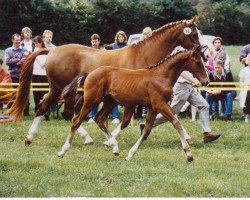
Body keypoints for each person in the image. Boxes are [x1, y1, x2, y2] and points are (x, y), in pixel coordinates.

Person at [152, 70, 221, 143]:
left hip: (190, 86)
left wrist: (207, 89)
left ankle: (207, 134)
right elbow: (181, 71)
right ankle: (148, 124)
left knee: (204, 105)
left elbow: (196, 73)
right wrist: (194, 80)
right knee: (172, 113)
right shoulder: (185, 58)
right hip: (181, 86)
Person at [4, 33, 29, 115]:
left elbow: (26, 60)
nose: (18, 41)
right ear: (12, 40)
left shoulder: (24, 49)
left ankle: (25, 111)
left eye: (19, 40)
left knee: (24, 92)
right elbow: (7, 62)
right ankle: (13, 110)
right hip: (12, 75)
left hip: (23, 75)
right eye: (16, 40)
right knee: (13, 93)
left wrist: (14, 59)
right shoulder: (8, 50)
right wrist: (19, 59)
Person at [108, 30, 128, 124]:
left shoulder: (128, 47)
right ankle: (115, 115)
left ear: (124, 38)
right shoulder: (113, 46)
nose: (121, 38)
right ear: (117, 37)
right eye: (119, 37)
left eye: (122, 37)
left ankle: (128, 115)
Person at [135, 27, 153, 119]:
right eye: (145, 34)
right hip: (141, 69)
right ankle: (138, 113)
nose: (147, 36)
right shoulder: (140, 43)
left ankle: (145, 112)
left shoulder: (153, 43)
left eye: (148, 34)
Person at [32, 36, 48, 113]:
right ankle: (37, 109)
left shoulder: (45, 51)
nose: (36, 45)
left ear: (41, 43)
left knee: (44, 93)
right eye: (34, 43)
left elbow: (43, 63)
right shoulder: (34, 50)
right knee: (36, 93)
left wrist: (35, 55)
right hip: (35, 74)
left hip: (44, 75)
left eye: (37, 43)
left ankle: (45, 110)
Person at [87, 34, 101, 123]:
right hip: (90, 76)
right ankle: (91, 116)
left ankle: (94, 115)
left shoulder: (102, 52)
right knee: (91, 96)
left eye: (96, 41)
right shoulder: (88, 52)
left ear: (99, 42)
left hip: (99, 76)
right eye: (93, 41)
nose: (94, 43)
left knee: (97, 96)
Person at [239, 54, 250, 122]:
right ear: (246, 61)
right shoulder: (243, 70)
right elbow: (240, 83)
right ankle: (247, 115)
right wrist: (244, 86)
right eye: (249, 60)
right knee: (247, 94)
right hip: (245, 89)